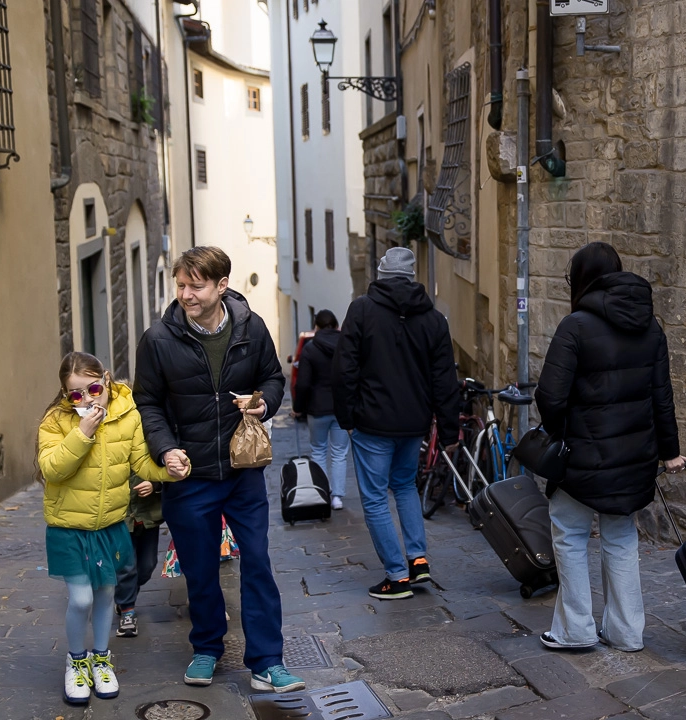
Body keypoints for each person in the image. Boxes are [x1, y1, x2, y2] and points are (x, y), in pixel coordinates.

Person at [133, 246, 304, 693]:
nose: (186, 294)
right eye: (181, 285)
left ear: (221, 286)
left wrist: (264, 403)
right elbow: (146, 401)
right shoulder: (158, 339)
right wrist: (166, 448)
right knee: (201, 569)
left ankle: (268, 661)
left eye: (196, 285)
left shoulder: (252, 328)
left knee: (259, 564)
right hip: (188, 477)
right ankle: (207, 648)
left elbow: (273, 377)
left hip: (243, 471)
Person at [535, 242, 686, 652]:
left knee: (569, 534)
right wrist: (670, 452)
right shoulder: (651, 327)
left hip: (582, 459)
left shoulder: (576, 326)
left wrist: (562, 434)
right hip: (633, 460)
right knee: (620, 537)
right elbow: (662, 397)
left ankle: (576, 629)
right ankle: (624, 632)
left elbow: (550, 396)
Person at [37, 352, 186, 705]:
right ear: (65, 395)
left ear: (105, 379)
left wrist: (169, 469)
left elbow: (139, 463)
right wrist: (82, 433)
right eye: (75, 395)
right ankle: (76, 663)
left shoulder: (127, 414)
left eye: (92, 389)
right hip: (68, 527)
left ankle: (101, 659)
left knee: (105, 595)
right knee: (82, 598)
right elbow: (52, 469)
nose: (87, 400)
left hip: (109, 524)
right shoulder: (56, 421)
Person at [332, 246, 460, 600]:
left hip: (372, 422)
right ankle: (418, 561)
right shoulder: (433, 319)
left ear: (382, 274)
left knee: (374, 498)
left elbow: (345, 369)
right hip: (414, 423)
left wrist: (346, 417)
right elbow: (444, 379)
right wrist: (448, 429)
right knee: (404, 487)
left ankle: (396, 575)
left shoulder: (362, 310)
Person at [294, 309, 349, 510]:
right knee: (339, 453)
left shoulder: (310, 349)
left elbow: (303, 384)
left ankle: (321, 493)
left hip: (317, 409)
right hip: (341, 408)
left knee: (318, 450)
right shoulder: (345, 347)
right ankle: (337, 497)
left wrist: (298, 408)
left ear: (316, 327)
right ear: (336, 326)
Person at [114, 474, 162, 638]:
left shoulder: (148, 448)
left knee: (148, 566)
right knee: (127, 568)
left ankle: (124, 595)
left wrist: (154, 484)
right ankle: (127, 610)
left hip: (147, 515)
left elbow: (164, 467)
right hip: (120, 518)